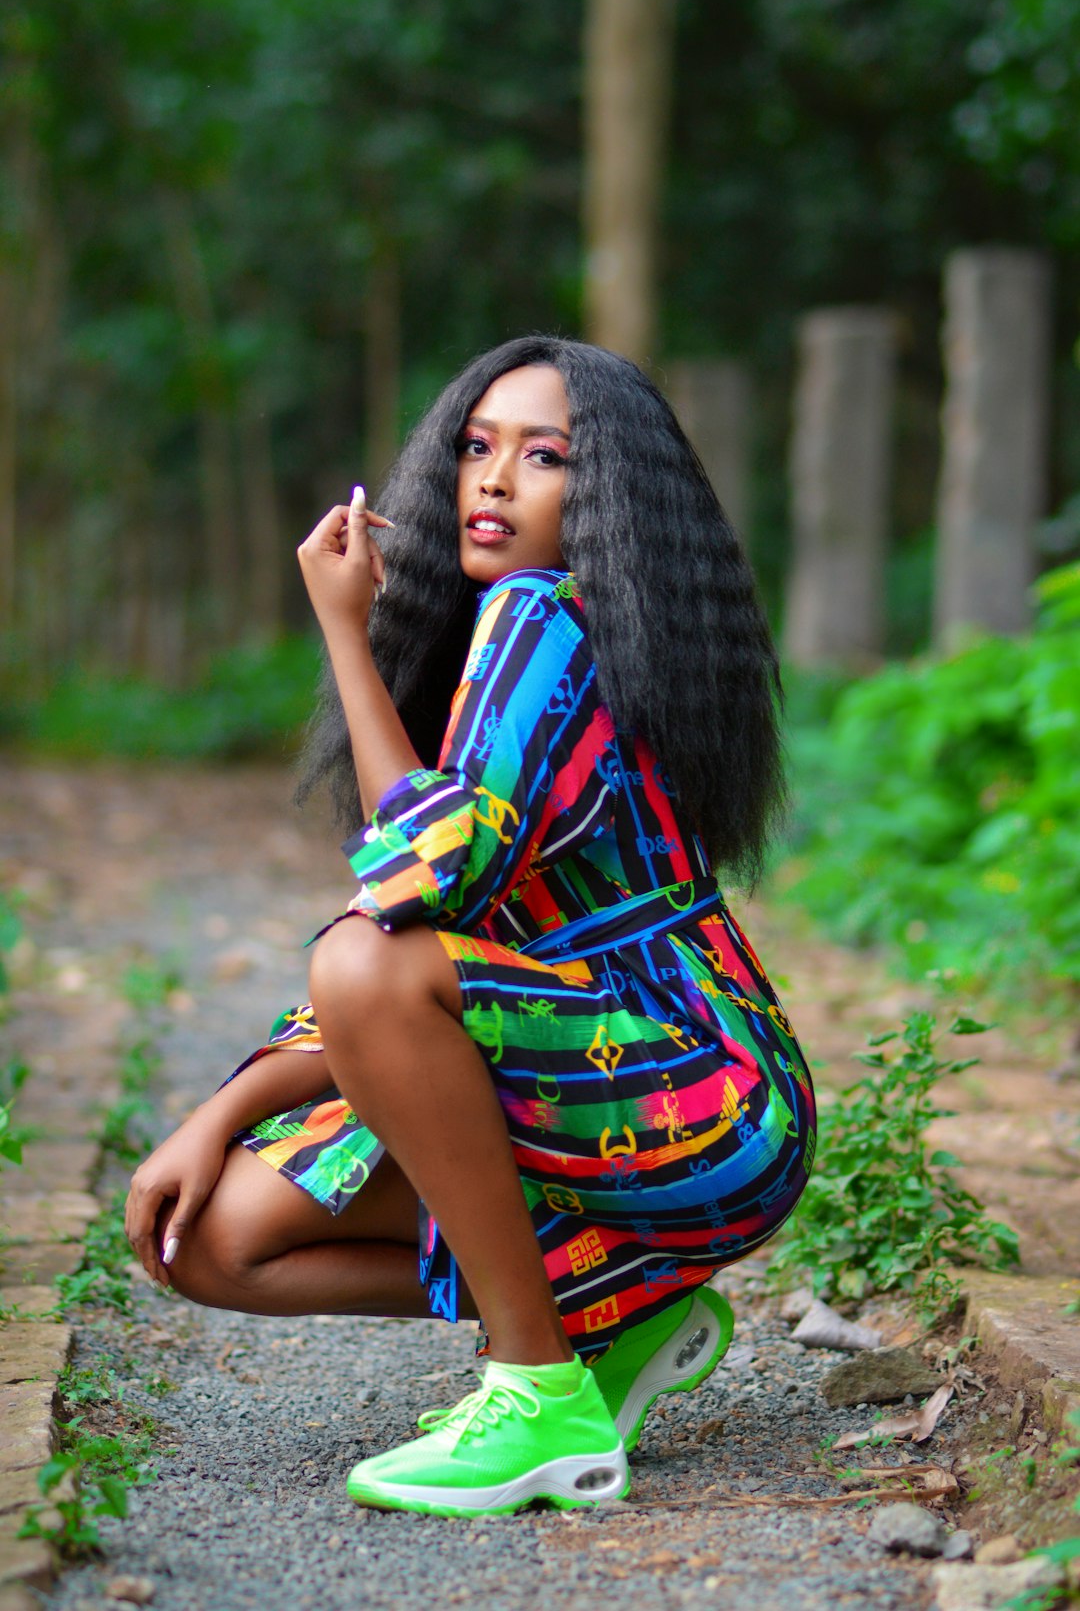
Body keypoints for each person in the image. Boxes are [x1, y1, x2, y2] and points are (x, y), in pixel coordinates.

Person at [124, 336, 816, 1519]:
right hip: (592, 1092)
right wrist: (221, 1113)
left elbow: (421, 886)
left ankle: (537, 1387)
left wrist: (344, 631)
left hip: (700, 1098)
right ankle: (620, 1311)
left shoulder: (549, 618)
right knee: (214, 1240)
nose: (493, 481)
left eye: (542, 457)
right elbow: (429, 929)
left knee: (362, 957)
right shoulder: (512, 640)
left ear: (604, 496)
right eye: (475, 450)